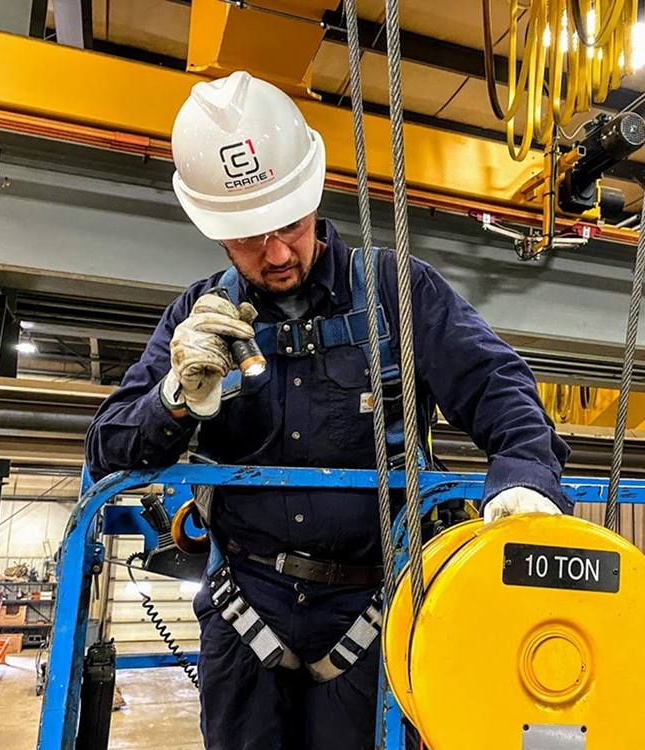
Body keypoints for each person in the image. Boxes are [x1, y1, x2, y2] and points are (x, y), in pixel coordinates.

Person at [85, 71, 572, 750]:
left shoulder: (397, 292)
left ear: (312, 194)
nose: (278, 252)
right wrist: (173, 395)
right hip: (244, 603)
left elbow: (496, 383)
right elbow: (106, 450)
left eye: (290, 224)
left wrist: (524, 476)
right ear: (217, 232)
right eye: (251, 237)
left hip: (376, 609)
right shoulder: (194, 318)